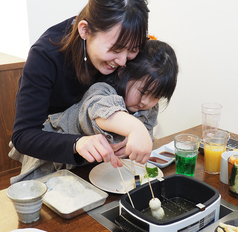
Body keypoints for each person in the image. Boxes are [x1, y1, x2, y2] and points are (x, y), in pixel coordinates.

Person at [9, 39, 178, 183]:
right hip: (48, 162)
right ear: (123, 73)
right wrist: (136, 128)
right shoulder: (102, 90)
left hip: (83, 172)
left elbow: (145, 137)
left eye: (156, 97)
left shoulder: (148, 106)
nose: (146, 102)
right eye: (142, 92)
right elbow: (99, 111)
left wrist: (132, 146)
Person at [10, 0, 149, 170]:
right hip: (53, 151)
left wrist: (131, 132)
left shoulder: (124, 42)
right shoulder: (45, 56)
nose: (122, 61)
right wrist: (77, 143)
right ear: (85, 30)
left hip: (104, 160)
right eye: (116, 49)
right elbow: (23, 136)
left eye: (133, 50)